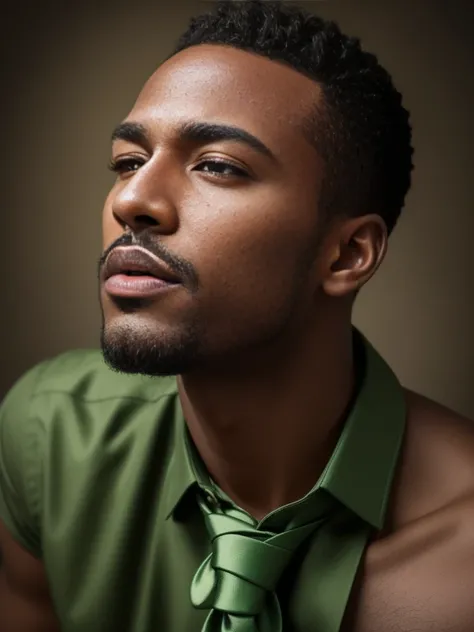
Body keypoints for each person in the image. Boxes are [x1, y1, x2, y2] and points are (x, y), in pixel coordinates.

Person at [1, 1, 473, 630]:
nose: (132, 199)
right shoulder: (50, 441)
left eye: (217, 166)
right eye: (127, 161)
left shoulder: (461, 567)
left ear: (348, 254)